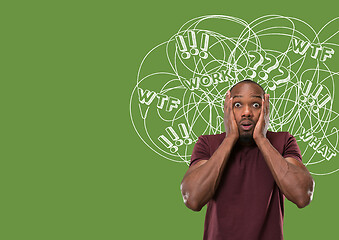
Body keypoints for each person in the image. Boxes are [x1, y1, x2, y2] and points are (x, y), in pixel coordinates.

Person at [180, 79, 315, 240]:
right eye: (238, 105)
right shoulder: (208, 143)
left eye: (256, 105)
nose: (247, 112)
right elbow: (193, 199)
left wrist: (262, 139)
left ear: (266, 109)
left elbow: (302, 196)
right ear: (227, 108)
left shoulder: (283, 141)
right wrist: (230, 138)